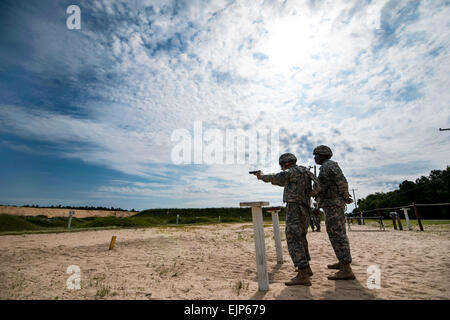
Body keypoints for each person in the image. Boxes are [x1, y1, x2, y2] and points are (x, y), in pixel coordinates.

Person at [255, 153, 320, 286]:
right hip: (305, 207)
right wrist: (309, 195)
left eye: (282, 165)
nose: (282, 167)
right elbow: (318, 185)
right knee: (301, 236)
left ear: (286, 163)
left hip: (295, 207)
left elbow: (277, 178)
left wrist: (261, 176)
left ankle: (302, 273)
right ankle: (306, 268)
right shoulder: (305, 171)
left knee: (293, 237)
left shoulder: (292, 171)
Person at [313, 145, 355, 280]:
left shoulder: (328, 166)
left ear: (322, 155)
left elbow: (337, 183)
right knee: (336, 233)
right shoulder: (329, 166)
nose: (315, 158)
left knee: (337, 234)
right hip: (333, 204)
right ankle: (342, 262)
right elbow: (338, 182)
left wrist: (345, 195)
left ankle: (346, 269)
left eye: (316, 155)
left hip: (333, 204)